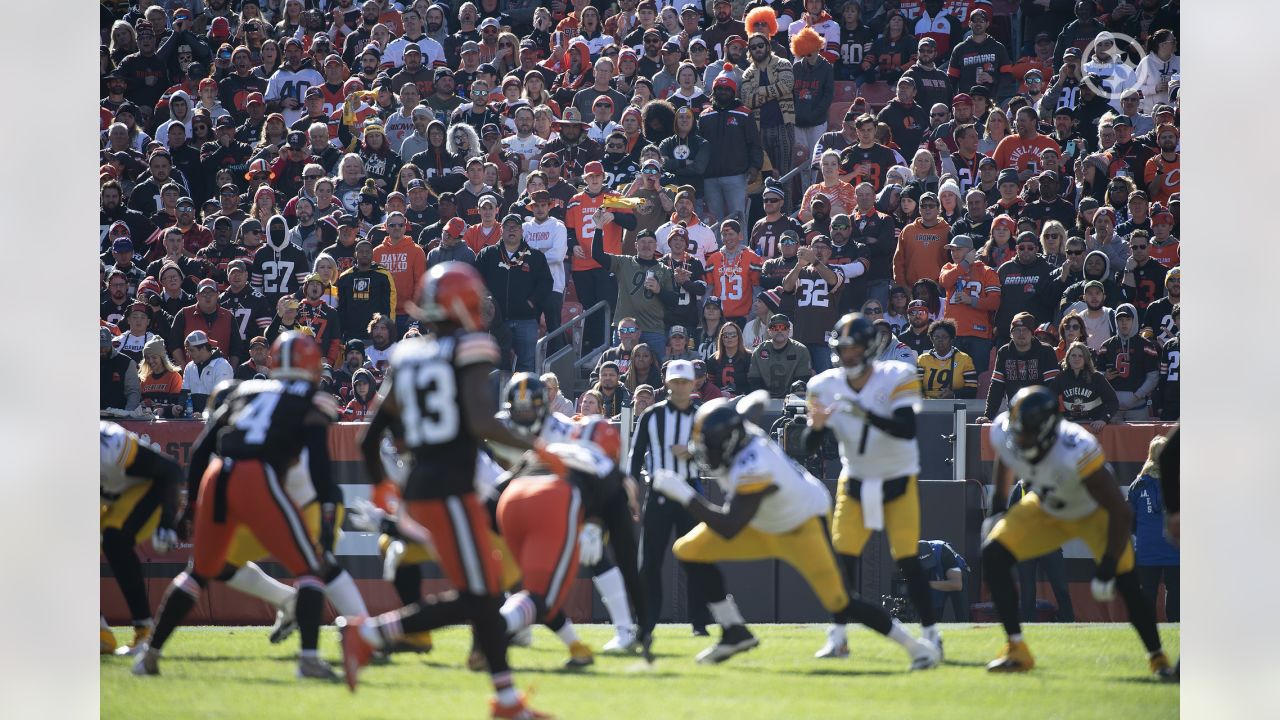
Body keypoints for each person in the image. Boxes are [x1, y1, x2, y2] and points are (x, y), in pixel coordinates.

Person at [340, 264, 546, 717]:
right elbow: (478, 421)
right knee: (481, 595)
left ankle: (507, 700)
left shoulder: (407, 355)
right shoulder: (470, 346)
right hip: (448, 486)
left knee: (484, 593)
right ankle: (368, 634)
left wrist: (383, 491)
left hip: (424, 485)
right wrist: (539, 447)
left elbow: (369, 439)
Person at [649, 393, 940, 669]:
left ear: (728, 442)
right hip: (762, 521)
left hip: (801, 525)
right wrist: (751, 401)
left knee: (841, 600)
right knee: (688, 550)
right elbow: (754, 405)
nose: (703, 454)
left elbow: (728, 526)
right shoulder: (738, 433)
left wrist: (683, 494)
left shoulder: (754, 464)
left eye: (708, 448)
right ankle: (734, 631)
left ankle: (917, 648)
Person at [135, 333, 342, 681]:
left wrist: (190, 506)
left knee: (198, 571)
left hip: (217, 475)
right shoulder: (313, 400)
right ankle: (308, 659)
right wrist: (328, 504)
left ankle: (150, 656)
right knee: (310, 568)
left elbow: (202, 448)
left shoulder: (247, 390)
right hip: (256, 477)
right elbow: (320, 465)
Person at [980, 385, 1174, 678]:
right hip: (1045, 506)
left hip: (1092, 513)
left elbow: (1120, 512)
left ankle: (1158, 659)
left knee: (1128, 585)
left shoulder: (1076, 448)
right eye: (1017, 432)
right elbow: (1005, 460)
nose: (1018, 439)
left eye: (1027, 434)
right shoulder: (1007, 430)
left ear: (1046, 430)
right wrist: (996, 509)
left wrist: (1108, 565)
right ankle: (1016, 649)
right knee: (993, 554)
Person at [804, 312, 944, 657]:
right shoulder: (822, 385)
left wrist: (860, 411)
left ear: (869, 348)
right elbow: (807, 445)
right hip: (855, 478)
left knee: (908, 560)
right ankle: (838, 636)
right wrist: (818, 426)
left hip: (897, 476)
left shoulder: (898, 374)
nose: (848, 356)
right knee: (843, 560)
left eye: (854, 349)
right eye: (843, 349)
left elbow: (906, 428)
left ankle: (931, 632)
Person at [629, 360, 715, 645]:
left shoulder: (702, 417)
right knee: (649, 562)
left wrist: (692, 452)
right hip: (659, 492)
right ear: (667, 383)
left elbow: (714, 455)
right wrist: (630, 487)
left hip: (690, 492)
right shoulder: (651, 416)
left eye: (684, 382)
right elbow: (635, 455)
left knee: (696, 558)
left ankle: (700, 623)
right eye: (674, 382)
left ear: (693, 384)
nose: (679, 387)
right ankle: (646, 623)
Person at [100, 421, 183, 656]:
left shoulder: (108, 444)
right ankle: (99, 633)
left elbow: (171, 471)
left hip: (140, 491)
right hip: (104, 497)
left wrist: (168, 521)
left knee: (115, 541)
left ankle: (144, 631)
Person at [590, 209, 676, 361]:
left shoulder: (665, 270)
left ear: (656, 245)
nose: (646, 245)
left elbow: (673, 301)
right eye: (642, 242)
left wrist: (659, 290)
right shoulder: (624, 262)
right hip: (625, 329)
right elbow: (597, 255)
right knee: (622, 369)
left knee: (656, 370)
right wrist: (598, 228)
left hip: (653, 329)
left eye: (650, 242)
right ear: (636, 245)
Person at [475, 214, 554, 372]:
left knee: (526, 364)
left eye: (516, 227)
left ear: (521, 231)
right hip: (496, 321)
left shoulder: (535, 256)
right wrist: (486, 302)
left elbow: (546, 283)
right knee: (495, 364)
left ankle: (522, 396)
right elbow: (473, 278)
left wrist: (531, 302)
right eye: (507, 227)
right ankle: (498, 396)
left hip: (526, 319)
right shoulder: (488, 254)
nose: (512, 230)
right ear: (501, 230)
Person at [700, 63, 763, 228]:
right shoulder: (705, 116)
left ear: (733, 91)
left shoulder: (744, 113)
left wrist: (755, 166)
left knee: (738, 217)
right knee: (715, 221)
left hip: (736, 176)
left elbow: (754, 143)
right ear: (714, 90)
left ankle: (741, 251)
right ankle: (716, 253)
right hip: (710, 177)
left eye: (727, 89)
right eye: (719, 88)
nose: (723, 92)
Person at [1007, 479, 1076, 623]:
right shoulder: (1020, 488)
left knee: (1061, 587)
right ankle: (1028, 624)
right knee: (1027, 591)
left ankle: (1068, 621)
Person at [978, 313, 1062, 422]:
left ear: (1032, 333)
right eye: (1017, 330)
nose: (1021, 333)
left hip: (1041, 414)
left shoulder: (1046, 351)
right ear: (1011, 333)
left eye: (1025, 330)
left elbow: (1052, 388)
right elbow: (997, 387)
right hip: (1015, 414)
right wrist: (988, 416)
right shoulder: (1004, 352)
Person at [779, 239, 847, 372]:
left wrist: (815, 261)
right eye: (816, 247)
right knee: (801, 381)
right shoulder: (801, 271)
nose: (819, 250)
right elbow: (787, 287)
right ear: (810, 249)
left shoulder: (836, 270)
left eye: (823, 247)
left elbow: (833, 281)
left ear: (830, 252)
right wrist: (799, 265)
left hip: (824, 339)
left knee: (825, 379)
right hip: (801, 337)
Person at [939, 234, 1000, 374]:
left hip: (978, 334)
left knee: (977, 376)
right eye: (952, 250)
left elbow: (995, 302)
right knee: (953, 377)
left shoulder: (986, 271)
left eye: (958, 249)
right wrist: (965, 263)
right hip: (954, 334)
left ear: (971, 251)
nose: (954, 253)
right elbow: (946, 282)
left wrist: (971, 300)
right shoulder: (948, 268)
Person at [1096, 304, 1160, 421]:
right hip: (1113, 408)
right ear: (1116, 321)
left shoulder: (1146, 345)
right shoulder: (1106, 346)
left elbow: (1153, 376)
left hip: (1138, 407)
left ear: (1134, 320)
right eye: (1120, 319)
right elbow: (1095, 374)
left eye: (1127, 319)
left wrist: (1137, 395)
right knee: (1111, 439)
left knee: (1140, 439)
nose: (1124, 323)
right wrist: (1104, 376)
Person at [1050, 341, 1118, 431]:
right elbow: (1049, 397)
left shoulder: (1096, 377)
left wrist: (1103, 419)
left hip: (1094, 426)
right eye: (1073, 355)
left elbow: (1113, 401)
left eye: (1080, 356)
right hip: (1072, 426)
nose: (1076, 359)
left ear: (1086, 359)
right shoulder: (1061, 377)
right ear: (1068, 358)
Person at [747, 314, 813, 398]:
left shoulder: (801, 350)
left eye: (783, 328)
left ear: (789, 331)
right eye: (775, 328)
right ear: (769, 331)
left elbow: (802, 381)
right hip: (765, 399)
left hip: (792, 398)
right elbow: (754, 381)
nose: (779, 331)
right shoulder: (759, 351)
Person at [893, 192, 950, 290]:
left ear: (938, 209)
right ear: (919, 209)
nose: (927, 209)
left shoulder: (947, 231)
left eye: (931, 206)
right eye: (923, 206)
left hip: (939, 289)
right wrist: (902, 286)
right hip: (911, 288)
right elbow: (898, 260)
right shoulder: (908, 230)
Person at [916, 319, 977, 399]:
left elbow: (972, 390)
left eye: (944, 337)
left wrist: (953, 394)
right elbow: (916, 388)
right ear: (931, 339)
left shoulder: (964, 359)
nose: (940, 340)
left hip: (955, 405)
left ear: (951, 339)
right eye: (936, 337)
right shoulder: (922, 359)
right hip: (928, 406)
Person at [181, 330, 236, 414]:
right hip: (192, 421)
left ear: (203, 348)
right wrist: (179, 407)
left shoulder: (222, 366)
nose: (188, 354)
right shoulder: (189, 367)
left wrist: (204, 415)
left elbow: (221, 400)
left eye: (191, 350)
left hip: (215, 423)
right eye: (187, 350)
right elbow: (184, 394)